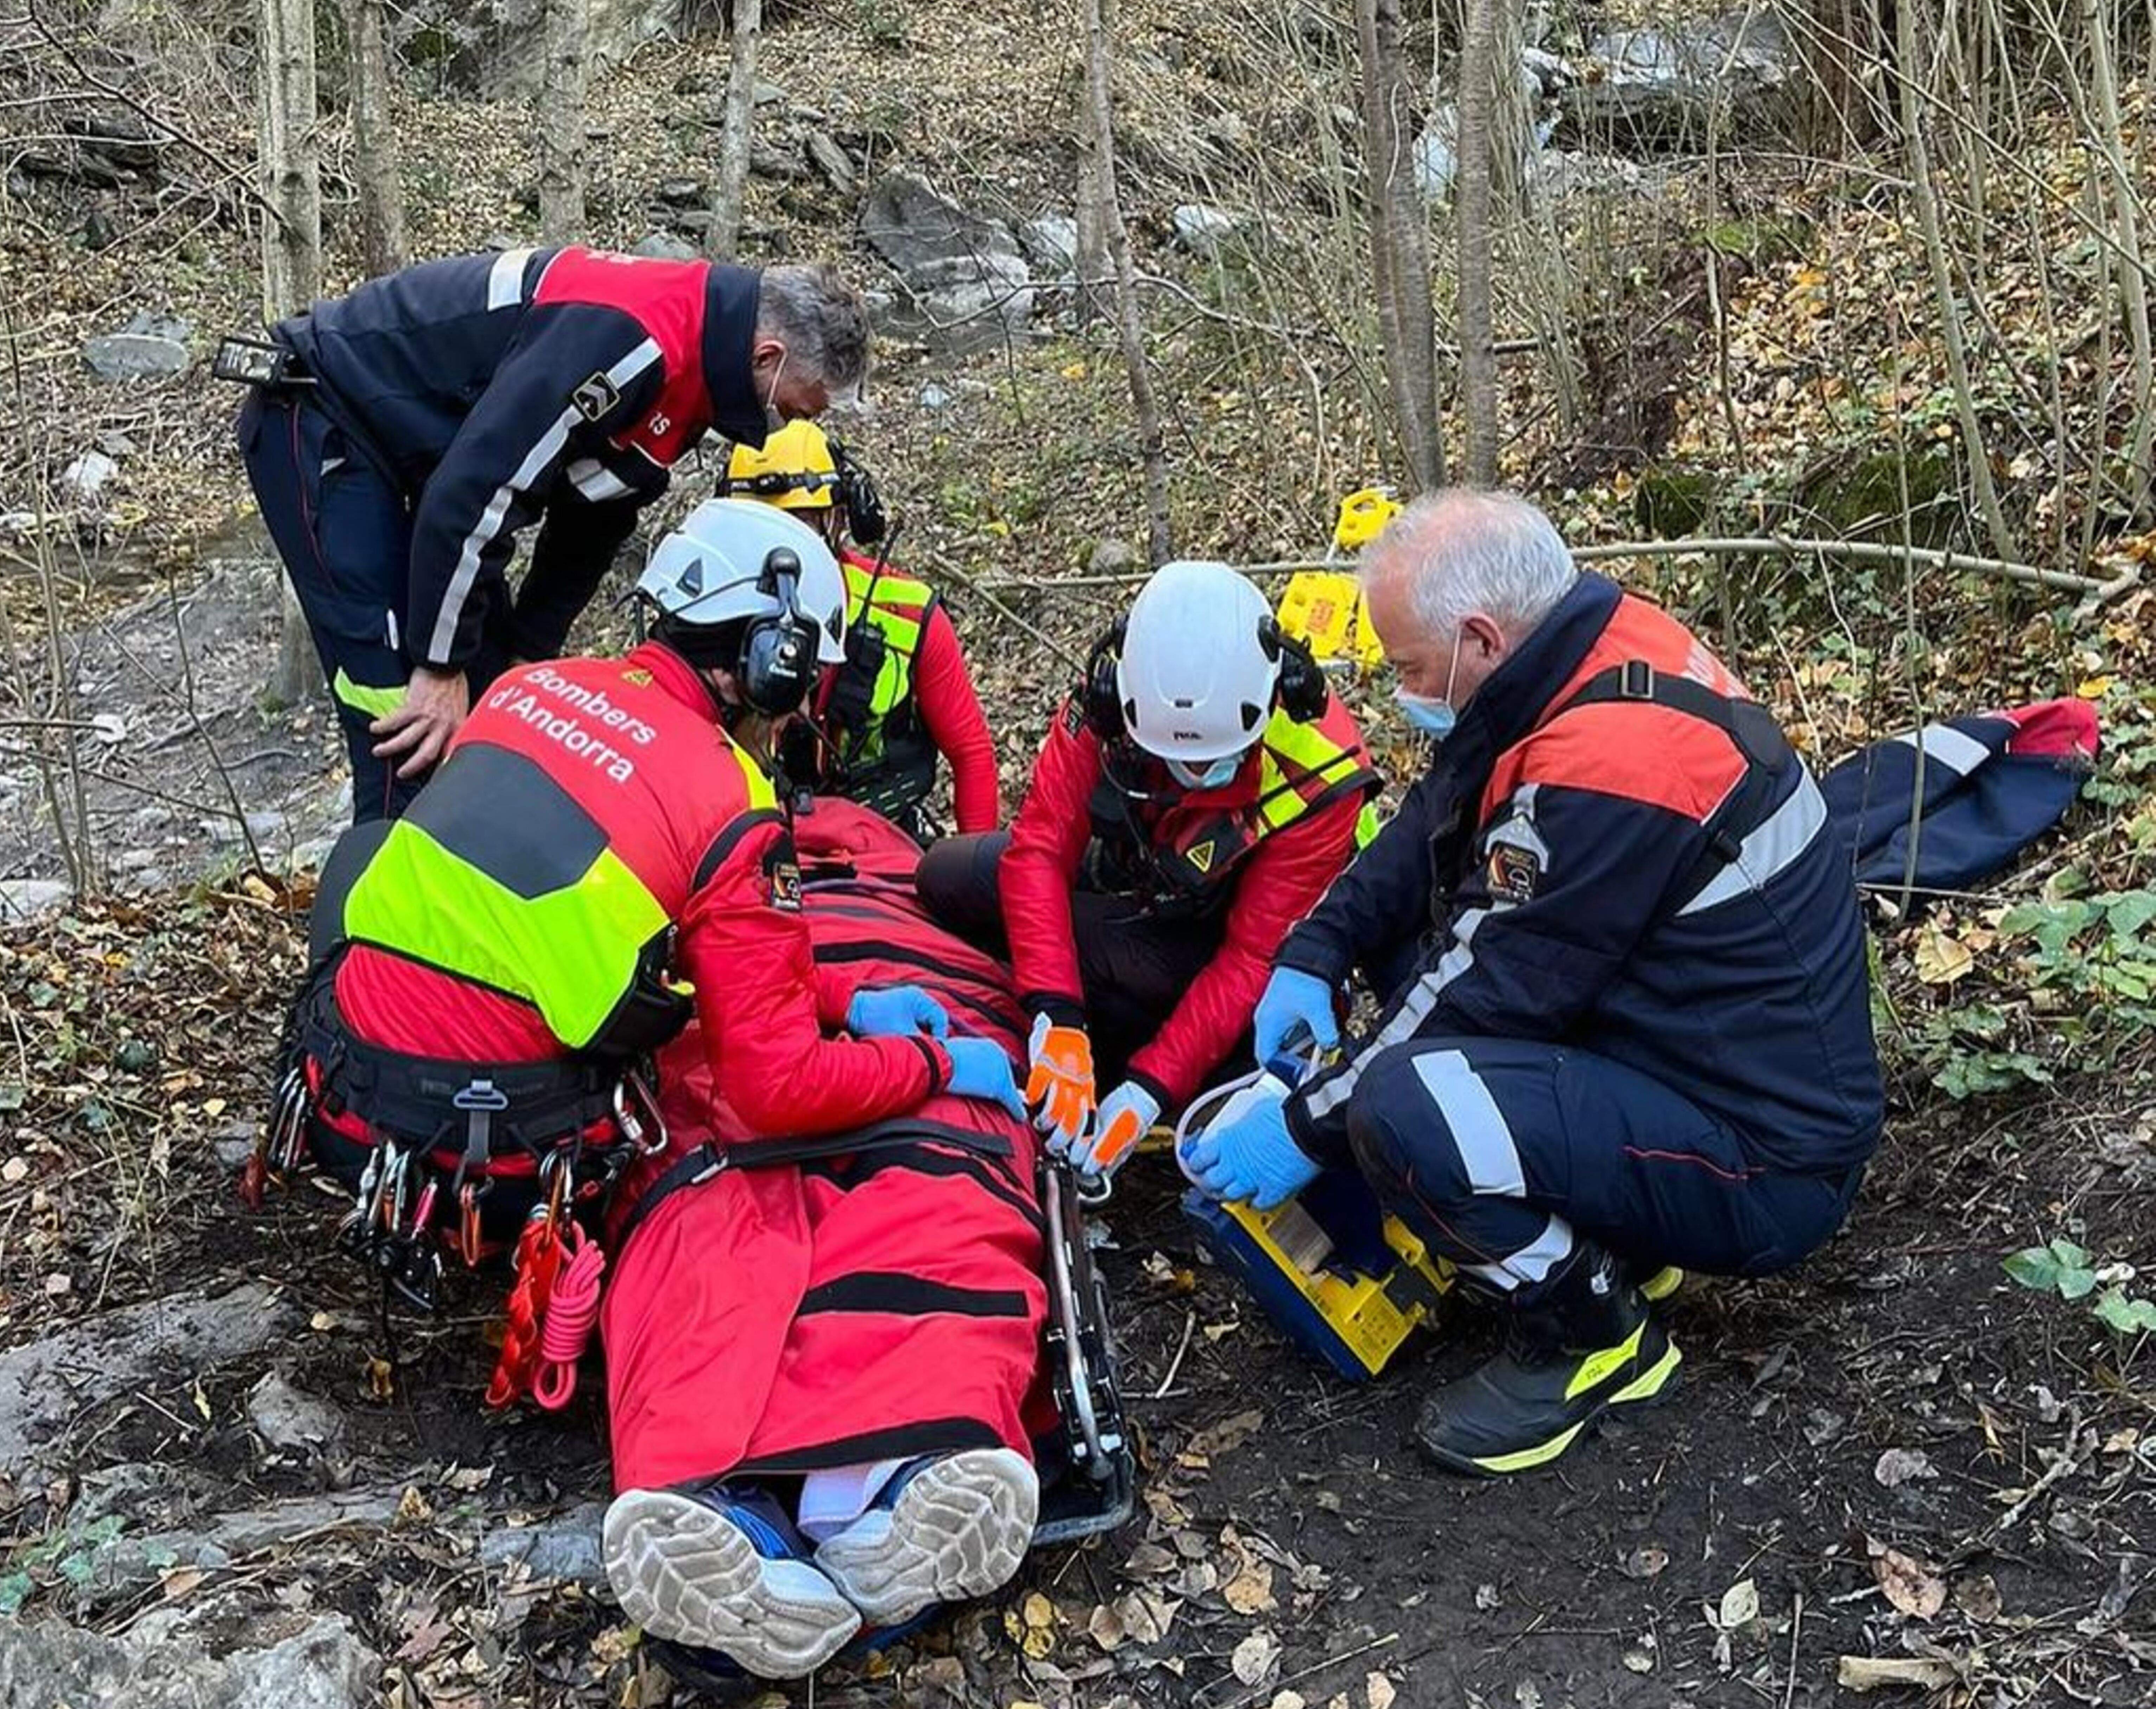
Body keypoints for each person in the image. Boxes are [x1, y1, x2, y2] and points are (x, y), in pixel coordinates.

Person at [293, 495, 1031, 1674]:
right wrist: (937, 1060)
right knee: (714, 1139)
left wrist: (841, 1002)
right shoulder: (729, 803)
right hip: (501, 1137)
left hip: (342, 1079)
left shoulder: (530, 689)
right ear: (772, 657)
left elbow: (640, 913)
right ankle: (840, 1477)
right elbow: (780, 1087)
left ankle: (740, 1490)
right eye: (801, 680)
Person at [1187, 490, 1884, 1477]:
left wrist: (1304, 1124)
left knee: (1402, 1102)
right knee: (1408, 971)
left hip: (1764, 1160)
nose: (1402, 689)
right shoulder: (1580, 645)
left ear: (1478, 638)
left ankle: (1591, 1331)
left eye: (1410, 668)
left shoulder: (1611, 763)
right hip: (1690, 1048)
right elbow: (1440, 806)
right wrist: (1315, 948)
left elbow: (1483, 990)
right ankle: (1617, 1230)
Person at [235, 247, 869, 817]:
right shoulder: (635, 336)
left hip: (426, 467)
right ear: (767, 357)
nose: (779, 428)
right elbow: (482, 490)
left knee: (489, 708)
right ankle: (375, 930)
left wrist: (527, 653)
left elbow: (595, 518)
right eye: (790, 409)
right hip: (326, 410)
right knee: (406, 724)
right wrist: (437, 665)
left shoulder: (694, 374)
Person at [918, 560, 1377, 1187]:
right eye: (1174, 757)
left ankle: (1147, 1061)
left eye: (1215, 760)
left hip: (1226, 953)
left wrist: (1149, 1088)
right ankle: (1083, 1024)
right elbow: (1040, 850)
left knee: (1098, 953)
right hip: (1134, 882)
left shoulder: (1321, 772)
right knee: (947, 875)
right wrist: (1058, 1015)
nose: (1193, 774)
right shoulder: (1109, 706)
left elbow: (1251, 958)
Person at [719, 422, 1000, 838]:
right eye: (759, 530)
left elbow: (971, 752)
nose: (780, 553)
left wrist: (976, 870)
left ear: (837, 517)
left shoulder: (905, 612)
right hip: (755, 841)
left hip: (885, 840)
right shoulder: (704, 619)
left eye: (799, 526)